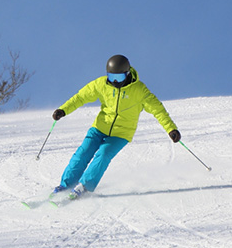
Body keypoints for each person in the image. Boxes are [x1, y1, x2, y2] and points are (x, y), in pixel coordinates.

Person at [51, 54, 180, 199]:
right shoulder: (101, 84)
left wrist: (171, 129)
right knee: (83, 153)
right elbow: (81, 97)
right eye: (112, 78)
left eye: (119, 78)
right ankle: (65, 185)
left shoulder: (139, 90)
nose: (115, 82)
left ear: (128, 74)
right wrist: (63, 110)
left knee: (104, 154)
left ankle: (84, 187)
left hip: (121, 134)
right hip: (99, 128)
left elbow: (158, 110)